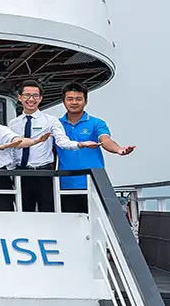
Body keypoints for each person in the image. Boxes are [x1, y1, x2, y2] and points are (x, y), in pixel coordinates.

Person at [8, 80, 99, 212]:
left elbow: (62, 141)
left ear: (40, 98)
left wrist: (79, 144)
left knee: (48, 212)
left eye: (35, 96)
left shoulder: (50, 121)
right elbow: (11, 149)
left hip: (43, 173)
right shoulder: (13, 124)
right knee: (23, 212)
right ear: (20, 97)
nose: (31, 99)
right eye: (27, 95)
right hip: (20, 173)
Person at [56, 82, 136, 213]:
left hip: (93, 183)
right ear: (63, 101)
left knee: (96, 222)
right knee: (70, 222)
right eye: (70, 99)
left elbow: (105, 140)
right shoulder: (56, 125)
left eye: (78, 99)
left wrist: (118, 149)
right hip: (65, 184)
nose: (74, 102)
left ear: (85, 101)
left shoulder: (96, 123)